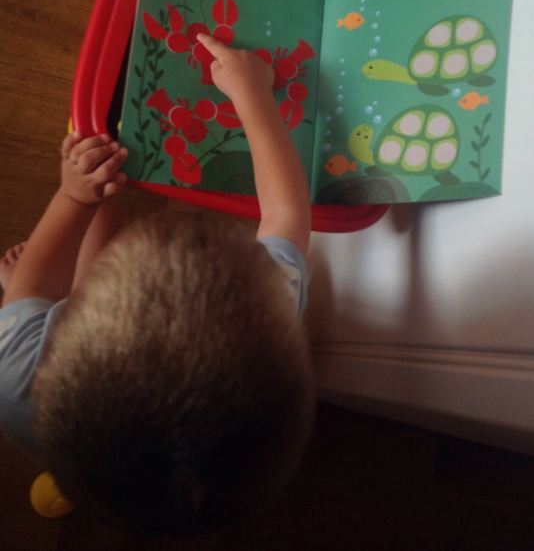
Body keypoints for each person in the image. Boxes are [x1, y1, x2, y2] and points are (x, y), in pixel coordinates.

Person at [0, 33, 315, 537]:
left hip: (70, 446)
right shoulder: (267, 320)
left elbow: (36, 277)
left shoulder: (12, 376)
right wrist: (254, 95)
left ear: (46, 377)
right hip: (100, 453)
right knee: (104, 224)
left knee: (96, 224)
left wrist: (74, 196)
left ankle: (73, 482)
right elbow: (286, 211)